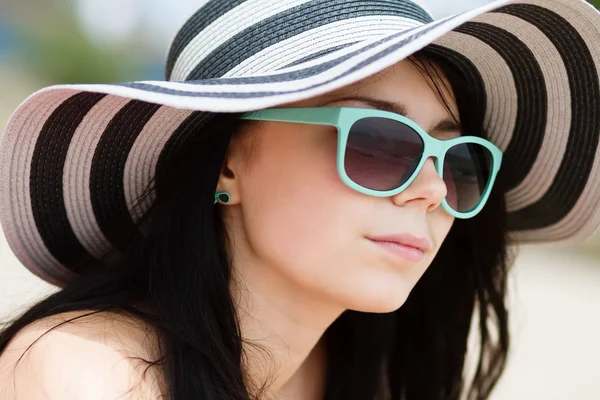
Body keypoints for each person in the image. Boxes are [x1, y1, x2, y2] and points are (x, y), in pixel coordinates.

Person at [0, 0, 599, 399]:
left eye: (459, 160)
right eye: (381, 143)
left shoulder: (364, 378)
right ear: (229, 159)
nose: (433, 190)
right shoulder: (91, 376)